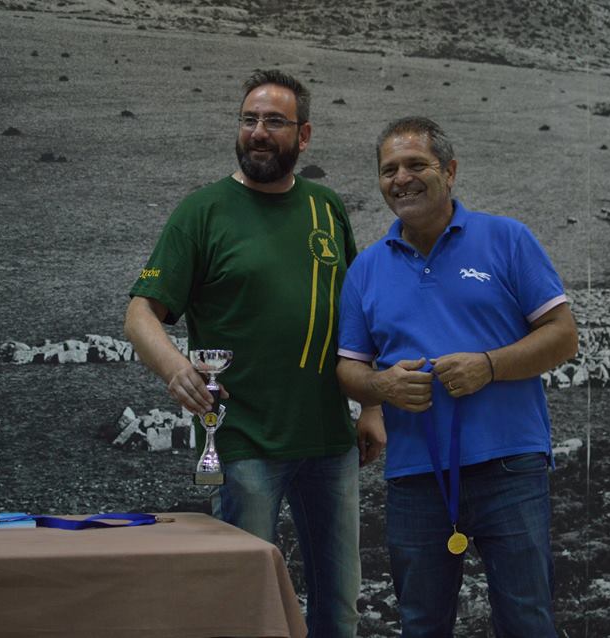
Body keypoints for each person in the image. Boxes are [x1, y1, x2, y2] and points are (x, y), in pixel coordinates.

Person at [125, 69, 367, 637]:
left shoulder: (327, 208)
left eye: (274, 121)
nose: (258, 132)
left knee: (340, 609)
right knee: (247, 610)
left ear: (304, 135)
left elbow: (359, 317)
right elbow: (140, 313)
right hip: (243, 444)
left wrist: (374, 407)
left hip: (330, 441)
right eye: (249, 119)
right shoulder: (202, 211)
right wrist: (175, 368)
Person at [336, 116, 578, 638]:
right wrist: (381, 387)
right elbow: (348, 369)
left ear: (449, 171)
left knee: (527, 621)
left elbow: (563, 336)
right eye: (389, 170)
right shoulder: (366, 269)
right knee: (422, 625)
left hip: (509, 467)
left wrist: (489, 366)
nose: (402, 178)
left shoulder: (507, 239)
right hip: (415, 477)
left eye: (416, 164)